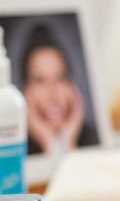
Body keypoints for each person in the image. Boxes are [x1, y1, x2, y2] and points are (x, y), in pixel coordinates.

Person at [19, 24, 93, 155]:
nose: (52, 94)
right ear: (25, 90)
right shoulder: (14, 147)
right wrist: (48, 140)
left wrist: (68, 141)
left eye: (60, 78)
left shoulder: (93, 141)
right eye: (40, 81)